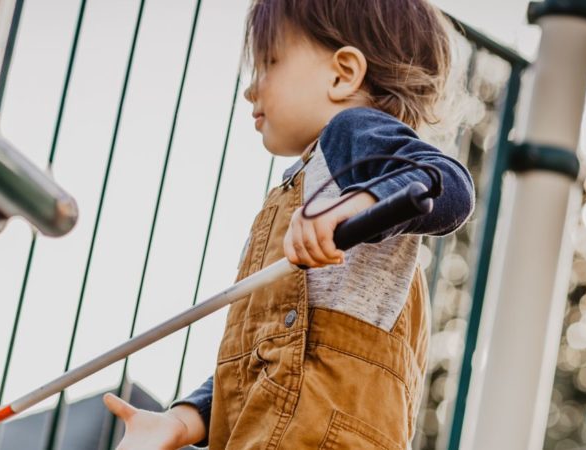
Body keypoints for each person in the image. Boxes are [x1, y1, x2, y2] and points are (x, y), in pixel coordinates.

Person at [104, 0, 474, 447]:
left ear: (343, 74)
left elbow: (448, 184)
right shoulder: (301, 181)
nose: (251, 89)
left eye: (268, 64)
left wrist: (356, 205)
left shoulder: (354, 134)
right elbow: (263, 350)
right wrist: (180, 420)